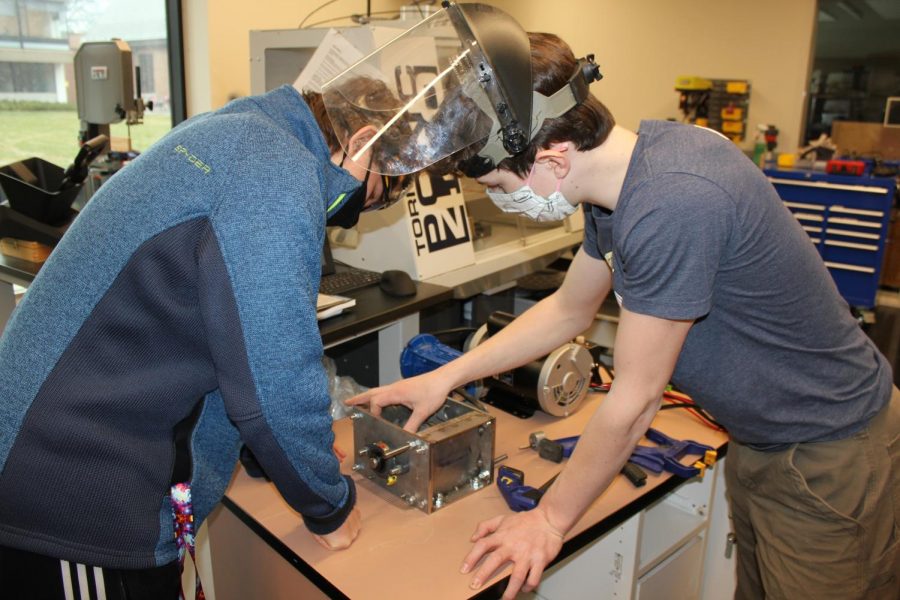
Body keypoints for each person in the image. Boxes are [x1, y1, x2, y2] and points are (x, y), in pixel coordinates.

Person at [346, 10, 900, 600]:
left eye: (504, 188)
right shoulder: (623, 187)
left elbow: (634, 401)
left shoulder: (672, 200)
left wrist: (550, 520)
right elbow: (569, 310)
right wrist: (447, 377)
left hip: (829, 453)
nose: (506, 202)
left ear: (555, 159)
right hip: (765, 441)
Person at [0, 77, 412, 598]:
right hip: (78, 494)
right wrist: (329, 506)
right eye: (375, 194)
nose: (358, 209)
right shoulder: (272, 172)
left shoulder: (244, 131)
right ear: (363, 142)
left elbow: (230, 335)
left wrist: (267, 458)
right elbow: (276, 384)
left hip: (91, 449)